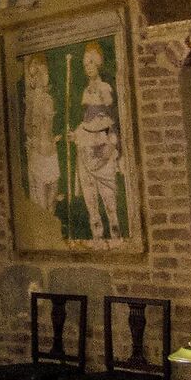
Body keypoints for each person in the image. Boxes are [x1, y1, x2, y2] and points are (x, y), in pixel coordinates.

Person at [70, 42, 123, 241]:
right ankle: (98, 238)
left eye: (92, 62)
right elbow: (86, 120)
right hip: (85, 148)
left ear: (99, 63)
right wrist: (75, 134)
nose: (89, 67)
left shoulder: (104, 88)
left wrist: (111, 142)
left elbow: (111, 117)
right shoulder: (86, 91)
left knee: (109, 201)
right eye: (86, 64)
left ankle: (116, 238)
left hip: (102, 145)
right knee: (90, 199)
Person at [23, 54, 62, 219]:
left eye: (43, 72)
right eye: (36, 74)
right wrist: (32, 139)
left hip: (50, 151)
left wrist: (54, 138)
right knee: (42, 199)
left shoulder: (49, 99)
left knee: (53, 194)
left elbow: (54, 123)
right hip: (38, 152)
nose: (42, 77)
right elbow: (27, 127)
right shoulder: (33, 102)